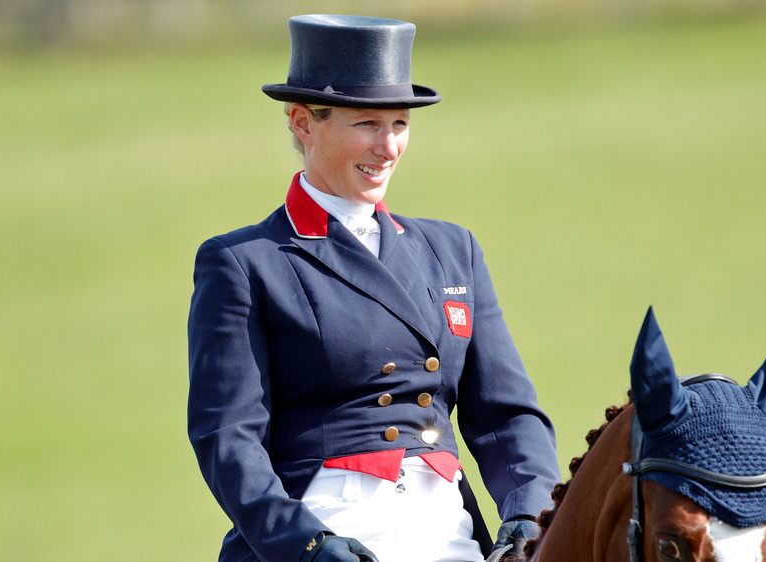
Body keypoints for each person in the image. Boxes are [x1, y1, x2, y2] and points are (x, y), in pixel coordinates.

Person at [187, 14, 560, 562]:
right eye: (367, 124)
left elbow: (507, 415)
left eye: (400, 124)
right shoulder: (244, 263)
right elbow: (228, 437)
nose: (388, 147)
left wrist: (530, 511)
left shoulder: (452, 250)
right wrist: (307, 545)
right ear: (302, 123)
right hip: (326, 525)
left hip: (445, 527)